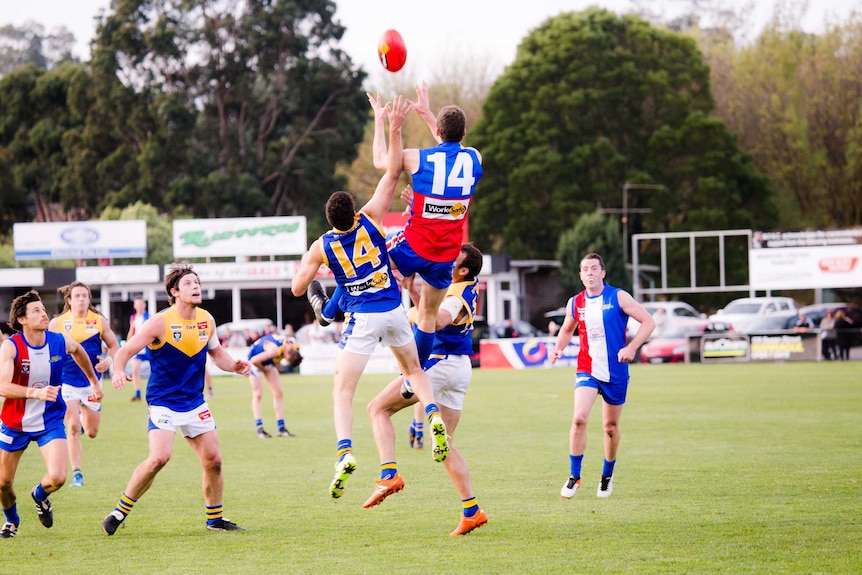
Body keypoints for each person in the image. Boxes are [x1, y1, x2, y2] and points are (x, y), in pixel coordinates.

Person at [291, 95, 450, 500]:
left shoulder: (322, 246)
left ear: (329, 220)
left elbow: (296, 288)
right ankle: (431, 414)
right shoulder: (372, 218)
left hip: (361, 318)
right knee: (413, 371)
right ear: (353, 210)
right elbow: (393, 172)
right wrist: (389, 125)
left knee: (343, 391)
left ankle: (344, 452)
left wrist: (312, 263)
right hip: (395, 309)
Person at [101, 264, 251, 536]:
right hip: (163, 401)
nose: (196, 287)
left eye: (198, 282)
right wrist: (119, 369)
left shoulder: (207, 319)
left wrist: (235, 365)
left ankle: (215, 519)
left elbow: (217, 355)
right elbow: (126, 350)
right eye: (189, 283)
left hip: (194, 401)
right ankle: (119, 512)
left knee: (214, 460)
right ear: (175, 292)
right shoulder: (160, 321)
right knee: (159, 457)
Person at [365, 243, 488, 536]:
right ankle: (472, 511)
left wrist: (403, 316)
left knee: (377, 408)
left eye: (454, 258)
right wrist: (413, 291)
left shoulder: (457, 294)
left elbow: (438, 319)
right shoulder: (466, 286)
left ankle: (388, 474)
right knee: (445, 446)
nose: (448, 258)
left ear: (464, 269)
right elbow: (430, 311)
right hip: (459, 368)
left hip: (439, 365)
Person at [359, 82, 482, 369]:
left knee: (365, 253)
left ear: (438, 131)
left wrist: (385, 124)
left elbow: (382, 161)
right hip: (445, 256)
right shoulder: (474, 158)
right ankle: (415, 376)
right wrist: (429, 115)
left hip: (414, 246)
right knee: (427, 316)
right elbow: (452, 148)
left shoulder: (418, 158)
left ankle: (330, 309)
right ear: (464, 133)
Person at [551, 253, 656, 499]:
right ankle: (574, 477)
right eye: (585, 269)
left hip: (615, 371)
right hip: (587, 368)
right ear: (580, 275)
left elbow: (648, 322)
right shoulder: (575, 302)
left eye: (594, 268)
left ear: (602, 273)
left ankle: (606, 476)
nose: (589, 273)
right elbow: (567, 329)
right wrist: (558, 348)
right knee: (578, 419)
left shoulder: (618, 297)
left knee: (610, 427)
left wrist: (631, 348)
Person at [0, 290, 101, 539]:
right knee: (2, 483)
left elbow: (78, 350)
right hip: (15, 423)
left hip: (50, 421)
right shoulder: (11, 346)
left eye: (43, 309)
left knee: (57, 477)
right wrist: (36, 393)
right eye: (36, 310)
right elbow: (2, 386)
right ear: (21, 319)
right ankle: (12, 521)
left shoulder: (58, 341)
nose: (44, 313)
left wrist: (94, 382)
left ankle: (39, 495)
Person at [48, 281, 120, 488]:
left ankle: (82, 417)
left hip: (91, 384)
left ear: (89, 299)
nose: (81, 299)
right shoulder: (58, 323)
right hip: (67, 383)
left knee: (91, 432)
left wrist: (109, 361)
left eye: (85, 296)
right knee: (72, 426)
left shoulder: (98, 321)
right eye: (77, 296)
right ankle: (77, 474)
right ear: (69, 300)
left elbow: (114, 345)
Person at [247, 332, 302, 438]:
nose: (284, 360)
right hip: (254, 361)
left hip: (267, 362)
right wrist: (264, 369)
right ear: (287, 354)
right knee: (258, 394)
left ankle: (281, 428)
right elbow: (254, 361)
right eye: (286, 359)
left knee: (278, 393)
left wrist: (274, 365)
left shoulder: (292, 345)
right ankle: (260, 429)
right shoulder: (274, 350)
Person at [127, 296, 150, 402]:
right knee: (135, 369)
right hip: (138, 347)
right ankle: (138, 394)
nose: (139, 306)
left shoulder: (149, 317)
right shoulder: (133, 318)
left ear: (144, 305)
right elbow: (132, 331)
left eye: (141, 304)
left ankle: (154, 392)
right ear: (135, 306)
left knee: (156, 370)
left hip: (149, 346)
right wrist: (128, 344)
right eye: (137, 304)